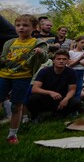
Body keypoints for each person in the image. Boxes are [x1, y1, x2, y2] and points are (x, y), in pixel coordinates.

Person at [0, 14, 48, 143]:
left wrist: (40, 52)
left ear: (34, 28)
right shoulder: (9, 42)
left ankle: (12, 135)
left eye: (25, 25)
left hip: (22, 78)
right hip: (4, 76)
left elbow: (45, 58)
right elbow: (3, 59)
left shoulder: (38, 43)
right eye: (18, 25)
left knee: (16, 106)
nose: (21, 28)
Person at [27, 49, 81, 119]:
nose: (61, 61)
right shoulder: (44, 71)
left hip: (61, 98)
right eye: (58, 59)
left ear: (67, 61)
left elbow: (72, 89)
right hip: (45, 97)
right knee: (33, 98)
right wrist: (50, 92)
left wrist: (66, 99)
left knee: (76, 102)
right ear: (53, 60)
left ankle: (59, 114)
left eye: (64, 59)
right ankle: (35, 117)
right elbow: (34, 89)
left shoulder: (71, 72)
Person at [68, 36, 84, 101]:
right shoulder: (71, 52)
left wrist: (77, 61)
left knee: (79, 89)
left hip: (81, 72)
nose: (83, 44)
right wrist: (80, 59)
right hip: (72, 72)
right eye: (82, 42)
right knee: (70, 89)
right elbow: (70, 65)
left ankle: (76, 105)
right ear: (77, 42)